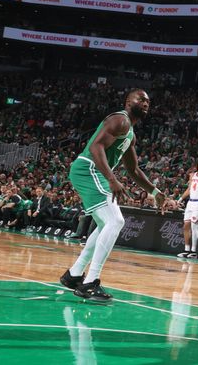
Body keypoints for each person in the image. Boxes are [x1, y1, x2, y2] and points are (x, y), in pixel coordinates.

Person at [59, 89, 164, 303]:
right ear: (128, 101)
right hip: (88, 168)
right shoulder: (120, 120)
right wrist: (112, 179)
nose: (145, 103)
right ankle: (90, 283)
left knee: (105, 224)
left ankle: (75, 274)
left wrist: (154, 191)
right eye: (141, 99)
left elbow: (134, 170)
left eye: (148, 101)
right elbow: (96, 146)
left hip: (92, 171)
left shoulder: (130, 133)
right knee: (116, 221)